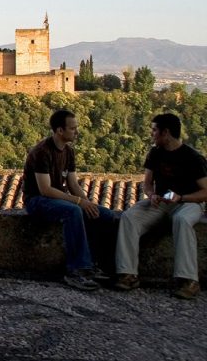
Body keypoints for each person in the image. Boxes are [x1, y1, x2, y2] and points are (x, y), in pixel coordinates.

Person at [115, 113, 207, 299]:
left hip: (189, 202)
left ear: (166, 133)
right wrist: (152, 195)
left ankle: (189, 280)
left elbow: (205, 192)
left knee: (181, 220)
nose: (152, 134)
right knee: (129, 217)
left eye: (154, 130)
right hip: (162, 202)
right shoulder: (155, 153)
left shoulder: (193, 158)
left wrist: (181, 198)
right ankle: (128, 274)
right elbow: (147, 183)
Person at [22, 110, 116, 291]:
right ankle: (77, 269)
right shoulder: (42, 152)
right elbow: (45, 189)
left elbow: (73, 184)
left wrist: (88, 203)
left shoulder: (69, 151)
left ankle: (94, 264)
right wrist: (79, 203)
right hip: (37, 201)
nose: (76, 132)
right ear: (59, 130)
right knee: (73, 211)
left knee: (106, 216)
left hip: (58, 198)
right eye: (72, 128)